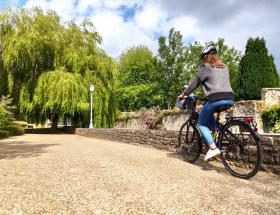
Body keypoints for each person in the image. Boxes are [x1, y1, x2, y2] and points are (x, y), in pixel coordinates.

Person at [178, 43, 234, 161]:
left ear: (205, 56)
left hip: (214, 99)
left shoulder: (204, 67)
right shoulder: (225, 66)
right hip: (229, 98)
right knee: (208, 114)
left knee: (201, 123)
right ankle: (217, 133)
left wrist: (183, 95)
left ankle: (213, 148)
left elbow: (194, 84)